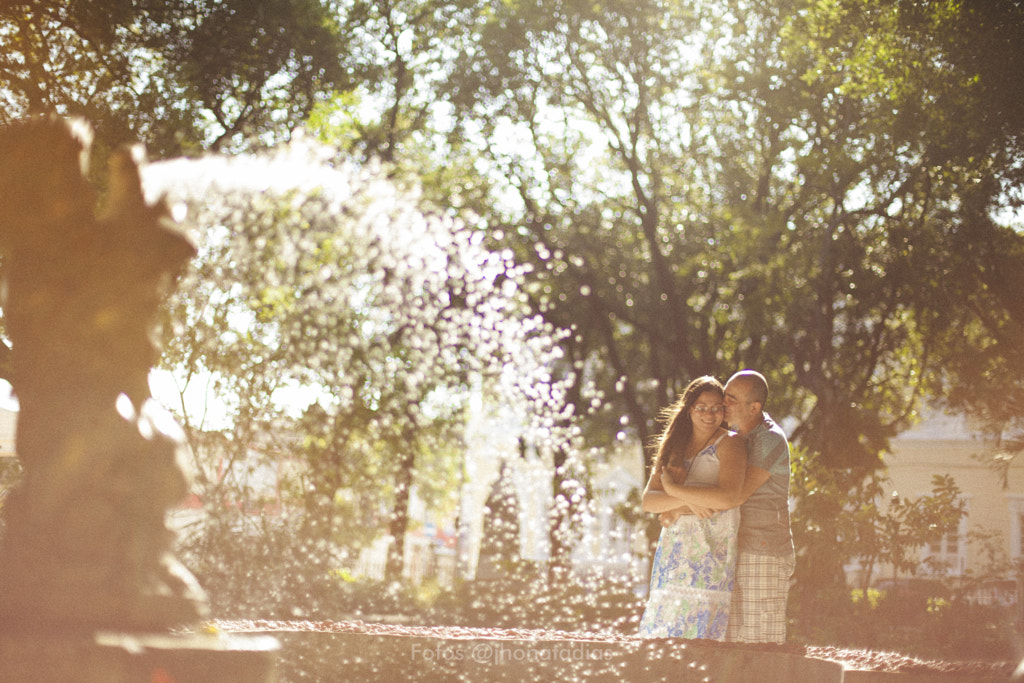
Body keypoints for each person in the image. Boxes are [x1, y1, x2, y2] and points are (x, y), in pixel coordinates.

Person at [660, 369, 795, 644]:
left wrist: (676, 497)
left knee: (760, 644)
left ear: (754, 407)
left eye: (731, 399)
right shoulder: (737, 437)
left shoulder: (768, 439)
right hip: (735, 548)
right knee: (731, 644)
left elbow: (733, 497)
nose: (723, 404)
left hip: (763, 550)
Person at [638, 376, 747, 640]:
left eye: (716, 407)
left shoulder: (730, 443)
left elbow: (728, 497)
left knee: (700, 630)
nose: (709, 414)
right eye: (701, 407)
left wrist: (675, 493)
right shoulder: (674, 444)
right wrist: (689, 503)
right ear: (689, 410)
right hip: (675, 550)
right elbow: (649, 501)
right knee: (667, 628)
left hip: (711, 547)